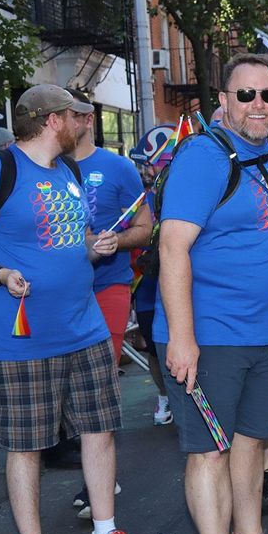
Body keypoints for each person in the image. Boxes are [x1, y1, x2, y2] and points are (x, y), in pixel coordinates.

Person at [0, 84, 149, 534]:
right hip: (20, 337)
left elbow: (73, 240)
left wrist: (98, 246)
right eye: (78, 116)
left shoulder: (70, 170)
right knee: (26, 446)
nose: (84, 124)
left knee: (99, 430)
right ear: (53, 119)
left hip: (85, 328)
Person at [155, 53, 268, 534]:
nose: (257, 105)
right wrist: (181, 337)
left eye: (267, 95)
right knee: (210, 451)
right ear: (224, 101)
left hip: (265, 334)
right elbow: (172, 247)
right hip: (212, 335)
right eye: (245, 95)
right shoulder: (204, 156)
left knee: (251, 443)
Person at [69, 87, 152, 365]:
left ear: (88, 119)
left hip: (108, 286)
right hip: (58, 292)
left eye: (70, 114)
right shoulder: (45, 168)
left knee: (103, 374)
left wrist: (116, 241)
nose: (61, 121)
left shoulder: (118, 167)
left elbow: (144, 228)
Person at [127, 125, 178, 427]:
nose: (143, 169)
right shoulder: (142, 199)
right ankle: (164, 394)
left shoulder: (187, 190)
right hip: (147, 287)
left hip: (181, 285)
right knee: (156, 349)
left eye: (148, 163)